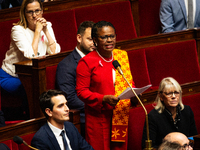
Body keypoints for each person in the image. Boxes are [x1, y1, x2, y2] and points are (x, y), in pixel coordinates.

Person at [76, 21, 137, 150]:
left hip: (121, 115)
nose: (109, 40)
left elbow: (128, 81)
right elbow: (81, 91)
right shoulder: (86, 62)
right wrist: (103, 99)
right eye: (104, 37)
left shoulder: (121, 56)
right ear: (95, 40)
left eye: (112, 36)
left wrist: (134, 93)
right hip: (99, 118)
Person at [0, 0, 60, 119]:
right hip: (11, 76)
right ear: (24, 13)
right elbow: (31, 55)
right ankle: (34, 122)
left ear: (42, 11)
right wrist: (38, 31)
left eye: (37, 11)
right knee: (33, 88)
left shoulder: (47, 25)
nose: (34, 15)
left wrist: (46, 30)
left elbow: (55, 51)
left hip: (34, 75)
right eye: (30, 12)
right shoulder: (17, 30)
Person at [56, 21, 95, 137]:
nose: (94, 43)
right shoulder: (66, 65)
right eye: (90, 39)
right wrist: (99, 105)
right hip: (84, 115)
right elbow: (71, 99)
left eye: (96, 39)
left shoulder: (100, 59)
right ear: (79, 38)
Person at [142, 77, 198, 149]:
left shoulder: (187, 111)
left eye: (176, 92)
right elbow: (148, 147)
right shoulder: (153, 116)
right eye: (169, 93)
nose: (174, 96)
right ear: (161, 96)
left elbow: (193, 137)